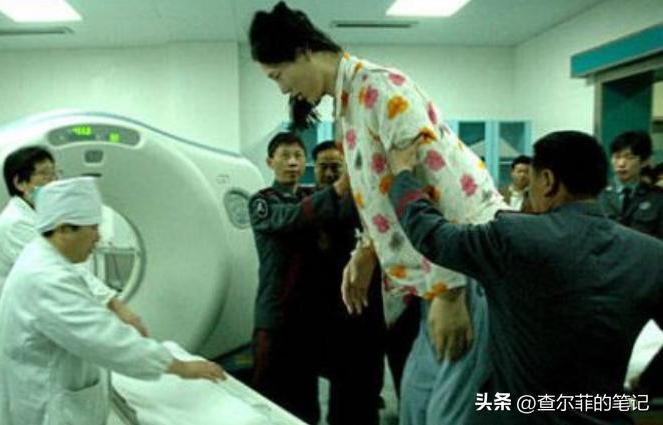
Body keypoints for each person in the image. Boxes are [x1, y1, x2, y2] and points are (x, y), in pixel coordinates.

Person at [249, 3, 500, 424]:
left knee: (449, 414)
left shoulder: (381, 88)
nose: (281, 89)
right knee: (416, 405)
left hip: (460, 266)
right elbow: (378, 192)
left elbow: (440, 186)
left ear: (302, 52)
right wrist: (367, 249)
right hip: (428, 275)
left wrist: (450, 290)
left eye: (277, 76)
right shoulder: (348, 106)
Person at [387, 130, 663, 425]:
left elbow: (432, 235)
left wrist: (402, 176)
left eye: (531, 180)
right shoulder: (652, 255)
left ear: (548, 180)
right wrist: (648, 385)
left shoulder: (513, 237)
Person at [0, 177, 225, 425]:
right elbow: (107, 339)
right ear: (64, 229)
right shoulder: (46, 278)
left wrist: (116, 306)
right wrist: (183, 368)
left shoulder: (44, 257)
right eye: (93, 228)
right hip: (46, 407)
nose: (98, 238)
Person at [0, 146, 145, 394]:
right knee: (29, 394)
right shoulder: (16, 224)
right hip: (20, 326)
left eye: (55, 173)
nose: (54, 181)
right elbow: (59, 269)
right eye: (45, 174)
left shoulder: (39, 217)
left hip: (33, 316)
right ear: (20, 182)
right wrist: (115, 305)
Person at [248, 132, 349, 424]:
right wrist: (339, 188)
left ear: (305, 162)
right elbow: (291, 217)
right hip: (275, 317)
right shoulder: (262, 202)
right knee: (269, 401)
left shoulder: (310, 197)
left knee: (306, 403)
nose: (292, 162)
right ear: (270, 161)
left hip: (307, 319)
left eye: (298, 156)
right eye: (285, 156)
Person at [310, 141, 386, 425]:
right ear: (314, 169)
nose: (330, 173)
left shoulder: (363, 200)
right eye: (324, 167)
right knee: (338, 378)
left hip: (365, 303)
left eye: (336, 167)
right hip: (326, 306)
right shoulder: (310, 204)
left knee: (364, 375)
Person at [597, 130, 663, 239]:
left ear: (644, 161)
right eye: (617, 157)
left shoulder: (657, 198)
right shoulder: (597, 193)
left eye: (629, 157)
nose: (621, 164)